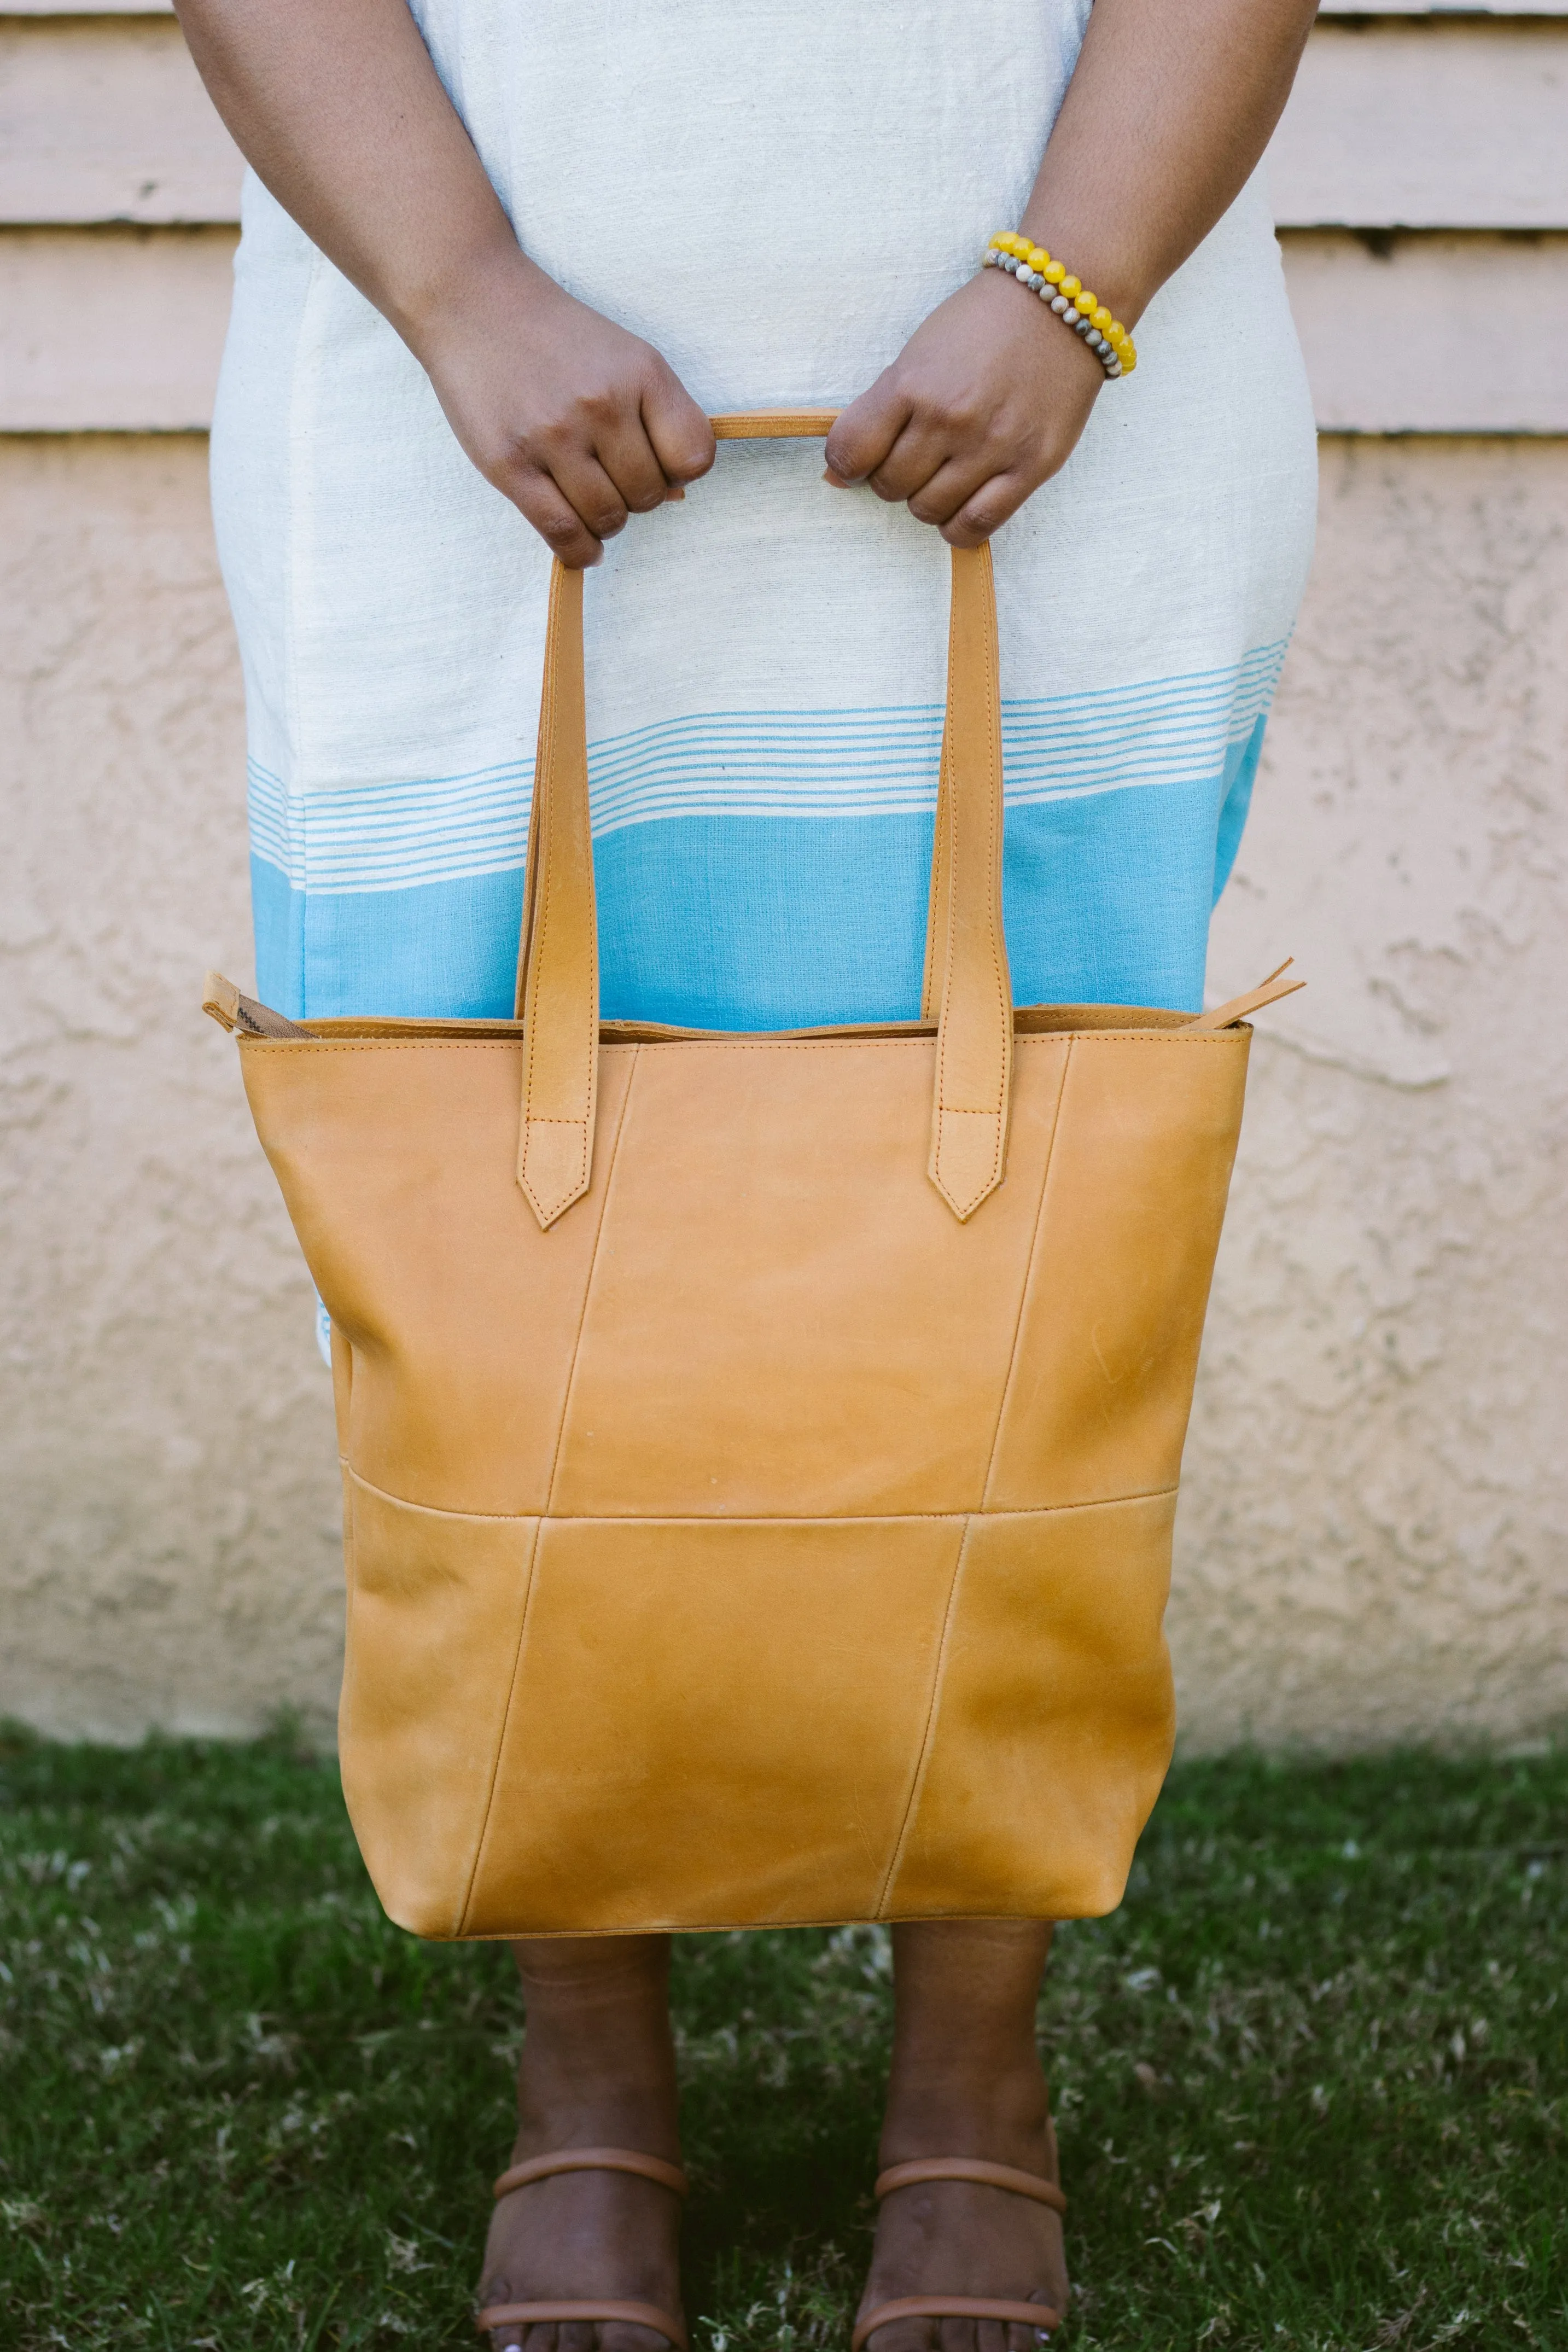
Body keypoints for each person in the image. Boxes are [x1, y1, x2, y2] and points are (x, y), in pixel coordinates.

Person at [175, 0, 1320, 2341]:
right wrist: (465, 290)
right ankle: (582, 2054)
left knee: (1004, 1235)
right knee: (497, 1214)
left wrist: (1070, 287)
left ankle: (969, 2076)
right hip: (445, 404)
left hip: (1066, 396)